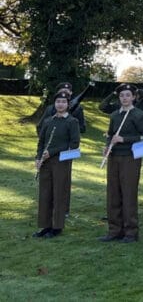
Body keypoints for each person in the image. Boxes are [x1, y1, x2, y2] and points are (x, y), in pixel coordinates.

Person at [99, 83, 143, 243]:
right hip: (114, 157)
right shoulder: (115, 115)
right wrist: (107, 146)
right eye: (122, 95)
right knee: (113, 193)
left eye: (128, 95)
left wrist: (124, 139)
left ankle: (131, 232)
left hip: (131, 157)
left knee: (128, 193)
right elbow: (111, 134)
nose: (124, 98)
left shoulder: (138, 114)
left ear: (134, 97)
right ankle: (114, 230)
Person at [33, 91, 80, 238]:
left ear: (68, 105)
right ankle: (45, 225)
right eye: (58, 101)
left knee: (59, 193)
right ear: (55, 104)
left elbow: (74, 143)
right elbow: (41, 142)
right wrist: (38, 157)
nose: (60, 104)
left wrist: (52, 152)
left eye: (63, 102)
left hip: (61, 161)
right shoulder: (48, 121)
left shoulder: (72, 122)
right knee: (45, 193)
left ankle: (57, 226)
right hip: (45, 162)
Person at [37, 82, 87, 216]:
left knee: (63, 181)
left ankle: (63, 210)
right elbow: (40, 126)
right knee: (47, 181)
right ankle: (48, 208)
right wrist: (45, 142)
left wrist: (70, 124)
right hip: (48, 151)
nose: (61, 103)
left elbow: (82, 128)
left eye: (68, 92)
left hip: (65, 151)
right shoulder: (49, 110)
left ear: (71, 95)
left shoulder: (77, 110)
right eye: (62, 91)